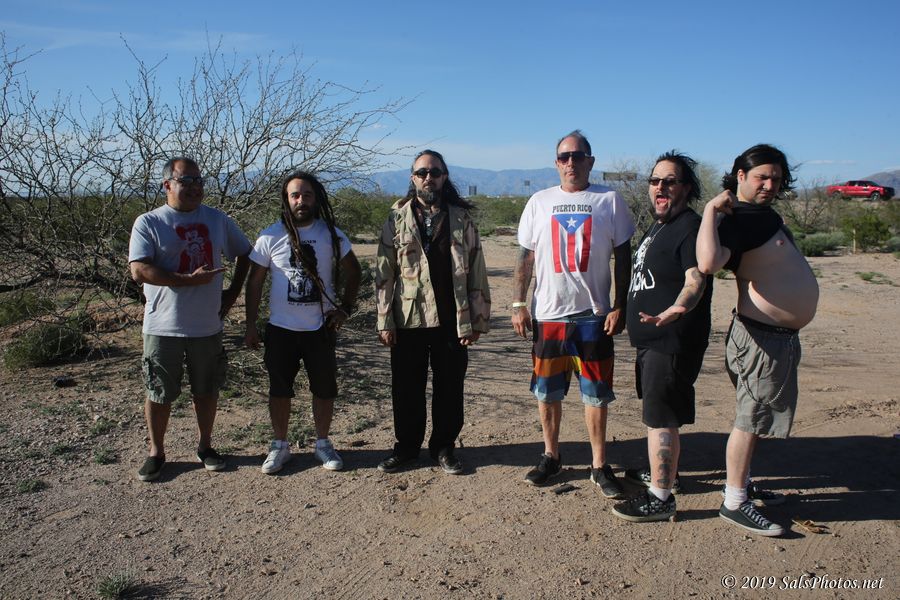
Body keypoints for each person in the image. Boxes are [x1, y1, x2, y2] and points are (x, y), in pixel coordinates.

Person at [697, 144, 819, 536]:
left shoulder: (759, 216)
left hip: (773, 339)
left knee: (756, 416)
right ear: (740, 175)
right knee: (749, 420)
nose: (769, 185)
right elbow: (708, 263)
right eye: (761, 177)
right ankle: (735, 502)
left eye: (776, 179)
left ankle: (743, 483)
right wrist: (710, 212)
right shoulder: (735, 218)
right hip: (761, 340)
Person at [512, 130, 635, 497]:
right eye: (564, 157)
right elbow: (525, 257)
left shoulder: (609, 200)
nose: (571, 162)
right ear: (556, 163)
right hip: (548, 315)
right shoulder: (539, 202)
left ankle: (599, 465)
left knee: (595, 394)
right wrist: (519, 303)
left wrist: (621, 305)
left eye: (578, 156)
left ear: (590, 161)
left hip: (593, 316)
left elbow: (624, 256)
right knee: (547, 392)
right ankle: (551, 456)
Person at [128, 156, 251, 482]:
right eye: (187, 181)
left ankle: (205, 446)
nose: (195, 187)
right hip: (162, 325)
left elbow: (245, 253)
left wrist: (232, 293)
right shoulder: (149, 222)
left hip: (206, 325)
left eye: (199, 181)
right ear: (167, 185)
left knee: (206, 389)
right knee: (159, 391)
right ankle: (156, 452)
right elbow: (139, 269)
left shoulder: (217, 220)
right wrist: (186, 280)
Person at [375, 150, 491, 475]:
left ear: (444, 177)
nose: (429, 178)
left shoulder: (462, 219)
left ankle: (443, 447)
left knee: (450, 388)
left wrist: (478, 320)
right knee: (406, 388)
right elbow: (384, 273)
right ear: (413, 178)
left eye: (435, 172)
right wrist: (384, 320)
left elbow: (477, 270)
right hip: (408, 318)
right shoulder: (396, 218)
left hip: (453, 318)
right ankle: (406, 448)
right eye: (423, 172)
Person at [611, 151, 712, 522]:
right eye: (655, 181)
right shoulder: (660, 225)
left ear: (686, 188)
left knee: (661, 418)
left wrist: (678, 307)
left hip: (671, 341)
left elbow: (695, 278)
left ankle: (661, 496)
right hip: (653, 341)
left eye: (670, 181)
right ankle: (664, 474)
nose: (660, 187)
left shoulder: (690, 228)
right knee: (659, 413)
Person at [244, 171, 361, 474]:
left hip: (319, 327)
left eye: (307, 195)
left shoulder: (331, 234)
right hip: (280, 328)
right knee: (279, 389)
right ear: (286, 199)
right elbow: (254, 282)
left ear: (316, 198)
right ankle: (280, 446)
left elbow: (354, 271)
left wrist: (345, 308)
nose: (301, 201)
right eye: (295, 195)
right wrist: (250, 324)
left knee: (324, 388)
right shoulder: (270, 236)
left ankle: (322, 444)